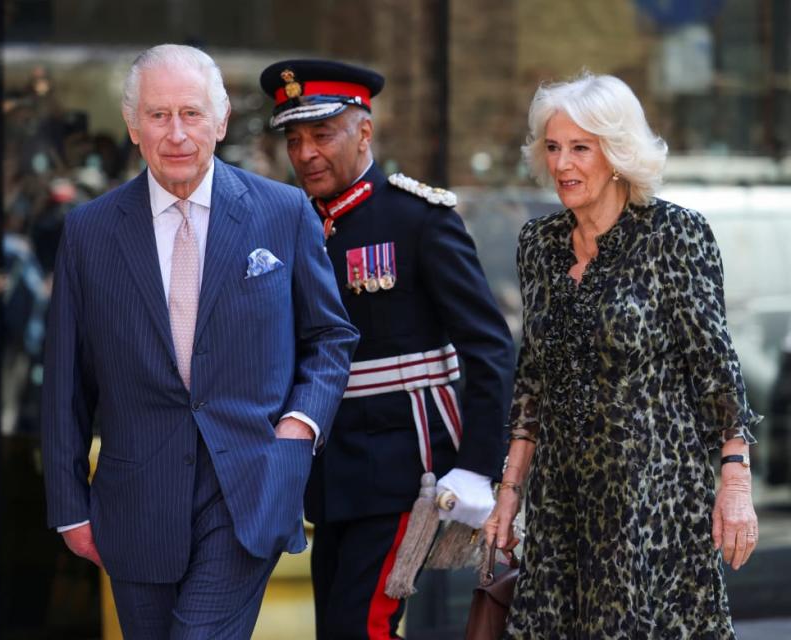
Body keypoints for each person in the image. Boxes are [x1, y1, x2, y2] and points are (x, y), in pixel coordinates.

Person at [41, 44, 358, 638]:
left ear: (221, 121)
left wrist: (298, 430)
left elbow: (330, 336)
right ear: (133, 126)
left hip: (248, 487)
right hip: (136, 499)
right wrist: (68, 506)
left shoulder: (282, 212)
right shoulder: (89, 231)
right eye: (159, 115)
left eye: (191, 113)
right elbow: (65, 380)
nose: (177, 133)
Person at [484, 73, 760, 638]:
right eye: (554, 148)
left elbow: (716, 368)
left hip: (651, 497)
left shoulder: (674, 234)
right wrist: (509, 494)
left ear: (617, 154)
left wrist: (735, 480)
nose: (562, 164)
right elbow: (531, 379)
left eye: (580, 148)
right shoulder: (538, 244)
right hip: (561, 500)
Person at [260, 59, 515, 639]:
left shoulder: (417, 218)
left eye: (322, 135)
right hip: (328, 474)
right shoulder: (292, 223)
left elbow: (490, 347)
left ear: (364, 132)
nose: (305, 154)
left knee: (361, 628)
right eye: (295, 140)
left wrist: (478, 466)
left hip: (403, 468)